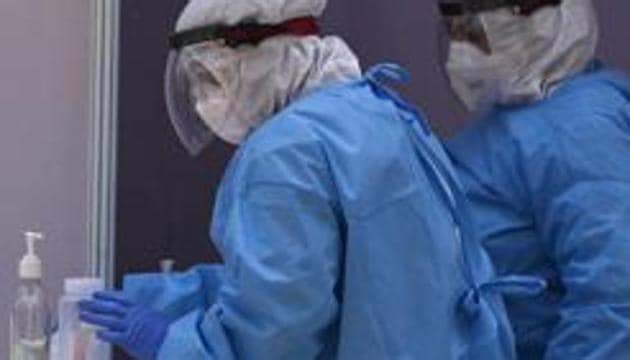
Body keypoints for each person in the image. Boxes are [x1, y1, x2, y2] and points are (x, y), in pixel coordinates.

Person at [78, 0, 519, 359]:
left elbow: (275, 334)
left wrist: (175, 345)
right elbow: (354, 278)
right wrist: (169, 298)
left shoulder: (284, 152)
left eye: (212, 77)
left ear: (263, 53)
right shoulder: (378, 112)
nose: (205, 101)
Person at [438, 0, 630, 358]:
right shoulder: (510, 124)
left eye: (475, 33)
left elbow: (615, 296)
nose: (461, 51)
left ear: (539, 22)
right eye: (455, 32)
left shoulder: (578, 128)